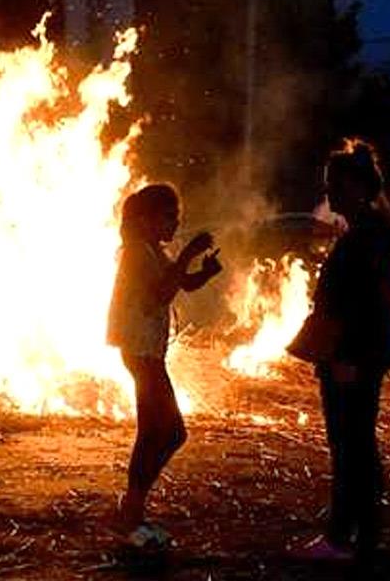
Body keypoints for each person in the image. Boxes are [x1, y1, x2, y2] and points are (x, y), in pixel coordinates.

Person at [294, 140, 390, 562]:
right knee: (357, 442)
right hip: (358, 353)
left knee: (349, 443)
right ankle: (365, 532)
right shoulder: (368, 230)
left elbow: (362, 304)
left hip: (353, 356)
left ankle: (341, 537)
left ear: (355, 185)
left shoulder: (368, 235)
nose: (328, 195)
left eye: (332, 186)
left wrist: (344, 357)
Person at [107, 184, 222, 549]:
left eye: (177, 218)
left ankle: (132, 506)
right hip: (141, 352)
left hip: (148, 352)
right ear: (146, 219)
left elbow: (178, 285)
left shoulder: (152, 251)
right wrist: (188, 252)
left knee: (160, 431)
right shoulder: (136, 254)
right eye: (169, 216)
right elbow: (159, 292)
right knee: (166, 432)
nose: (175, 223)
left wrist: (204, 272)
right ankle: (132, 507)